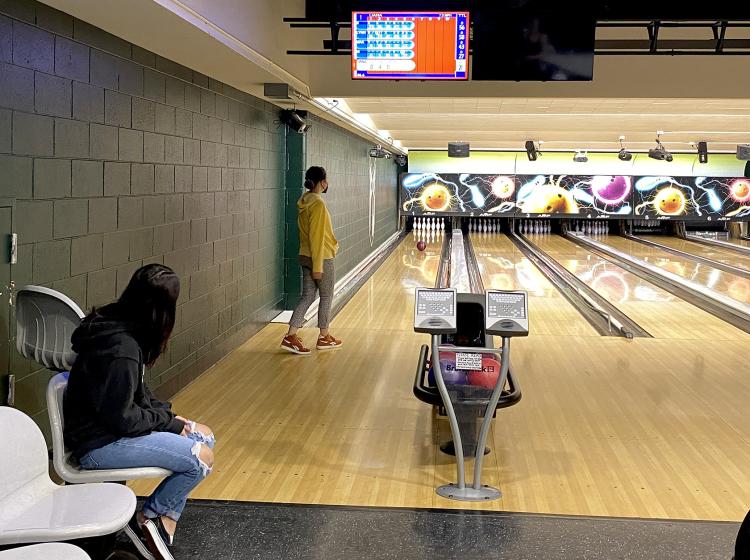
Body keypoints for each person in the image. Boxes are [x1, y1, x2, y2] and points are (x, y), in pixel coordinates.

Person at [63, 264, 214, 560]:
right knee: (200, 457)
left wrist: (171, 419)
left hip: (109, 433)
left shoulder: (123, 330)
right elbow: (123, 419)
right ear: (162, 310)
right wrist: (167, 424)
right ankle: (152, 519)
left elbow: (137, 396)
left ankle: (154, 521)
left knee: (205, 437)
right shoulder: (121, 349)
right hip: (99, 445)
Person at [281, 166, 343, 355]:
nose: (327, 183)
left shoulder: (304, 200)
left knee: (307, 296)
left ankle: (290, 336)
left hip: (305, 255)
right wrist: (318, 266)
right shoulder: (318, 204)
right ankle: (324, 337)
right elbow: (317, 236)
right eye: (326, 179)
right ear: (322, 182)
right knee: (326, 296)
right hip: (321, 257)